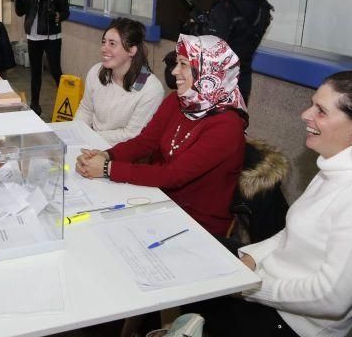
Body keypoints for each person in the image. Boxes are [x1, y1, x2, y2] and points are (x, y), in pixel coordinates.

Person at [193, 70, 352, 337]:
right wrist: (252, 256)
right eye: (312, 104)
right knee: (193, 248)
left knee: (191, 285)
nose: (305, 115)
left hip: (294, 325)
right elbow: (292, 232)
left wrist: (248, 287)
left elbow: (332, 298)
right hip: (272, 290)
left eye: (321, 111)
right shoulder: (337, 167)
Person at [76, 34, 247, 236]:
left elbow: (173, 175)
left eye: (183, 64)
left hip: (196, 224)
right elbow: (145, 142)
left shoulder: (227, 126)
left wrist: (107, 168)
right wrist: (106, 155)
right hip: (157, 199)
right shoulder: (179, 100)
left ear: (209, 73)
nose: (174, 71)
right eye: (177, 63)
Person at [196, 0, 273, 104]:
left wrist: (196, 29)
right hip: (241, 83)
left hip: (214, 84)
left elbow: (211, 52)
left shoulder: (226, 6)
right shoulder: (262, 9)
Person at [74, 17, 164, 146]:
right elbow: (86, 109)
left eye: (112, 44)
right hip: (91, 142)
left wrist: (89, 137)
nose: (104, 49)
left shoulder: (151, 90)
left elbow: (131, 134)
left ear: (132, 50)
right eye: (103, 42)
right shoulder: (96, 71)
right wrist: (75, 134)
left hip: (122, 153)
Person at [15, 0, 70, 115]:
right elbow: (20, 12)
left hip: (52, 36)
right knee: (35, 72)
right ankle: (35, 104)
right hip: (33, 36)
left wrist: (61, 15)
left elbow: (66, 10)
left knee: (55, 70)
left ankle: (68, 101)